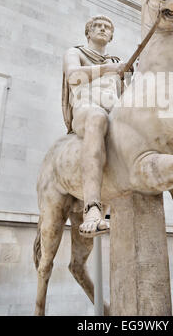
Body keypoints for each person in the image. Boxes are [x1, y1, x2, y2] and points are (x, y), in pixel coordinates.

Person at [62, 15, 127, 237]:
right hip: (85, 110)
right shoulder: (76, 52)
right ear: (88, 32)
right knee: (97, 117)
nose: (102, 29)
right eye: (97, 26)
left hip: (114, 111)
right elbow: (72, 76)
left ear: (111, 35)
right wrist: (110, 69)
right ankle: (92, 208)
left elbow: (125, 97)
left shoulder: (117, 61)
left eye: (107, 27)